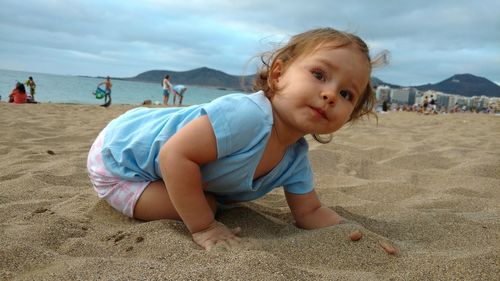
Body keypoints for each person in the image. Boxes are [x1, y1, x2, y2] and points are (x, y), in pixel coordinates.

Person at [87, 27, 380, 251]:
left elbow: (310, 212)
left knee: (206, 199)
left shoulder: (295, 159)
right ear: (278, 74)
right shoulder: (247, 117)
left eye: (346, 94)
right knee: (208, 208)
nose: (330, 94)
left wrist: (353, 232)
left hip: (165, 156)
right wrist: (204, 227)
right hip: (119, 157)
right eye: (319, 74)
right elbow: (173, 155)